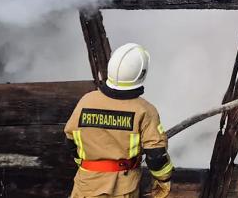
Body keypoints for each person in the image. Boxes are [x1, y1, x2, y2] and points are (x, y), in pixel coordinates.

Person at [64, 43, 174, 198]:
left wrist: (90, 167)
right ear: (141, 74)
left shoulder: (86, 101)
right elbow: (156, 156)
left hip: (85, 187)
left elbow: (71, 141)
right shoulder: (145, 110)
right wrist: (164, 180)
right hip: (121, 189)